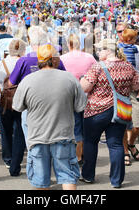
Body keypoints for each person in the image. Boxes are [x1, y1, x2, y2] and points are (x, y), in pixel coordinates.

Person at [12, 44, 87, 190]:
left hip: (37, 136)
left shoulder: (27, 80)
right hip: (63, 135)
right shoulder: (69, 78)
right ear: (54, 60)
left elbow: (17, 106)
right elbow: (80, 107)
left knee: (40, 181)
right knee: (68, 176)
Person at [80, 39, 139, 188]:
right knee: (116, 145)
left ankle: (88, 175)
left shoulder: (97, 67)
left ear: (108, 51)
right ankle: (116, 180)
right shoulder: (129, 67)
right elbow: (136, 86)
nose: (98, 52)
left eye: (100, 49)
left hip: (96, 110)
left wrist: (83, 79)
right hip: (120, 110)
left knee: (90, 142)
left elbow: (84, 88)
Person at [0, 39, 27, 173]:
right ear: (23, 50)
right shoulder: (24, 63)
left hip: (3, 101)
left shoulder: (1, 63)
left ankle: (8, 158)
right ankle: (17, 159)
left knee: (5, 132)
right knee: (19, 131)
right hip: (21, 101)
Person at [61, 34, 96, 165]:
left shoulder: (62, 58)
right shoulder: (90, 57)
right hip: (87, 96)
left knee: (75, 127)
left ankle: (78, 155)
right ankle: (84, 153)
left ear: (69, 45)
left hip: (70, 97)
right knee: (86, 127)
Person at [118, 28, 139, 165]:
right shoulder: (117, 49)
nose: (120, 34)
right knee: (122, 122)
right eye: (119, 31)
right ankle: (125, 150)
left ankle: (131, 143)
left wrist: (135, 79)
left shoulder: (138, 50)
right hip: (120, 90)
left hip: (135, 89)